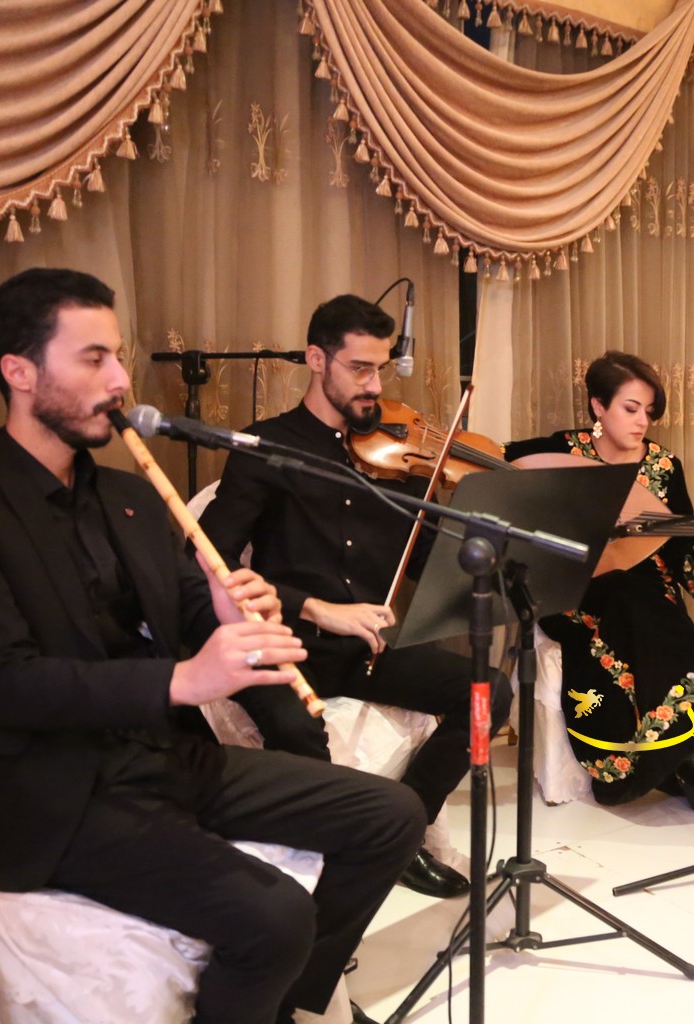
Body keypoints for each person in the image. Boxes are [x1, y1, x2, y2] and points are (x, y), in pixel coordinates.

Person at [0, 268, 424, 1024]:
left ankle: (288, 1004)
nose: (120, 380)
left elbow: (190, 612)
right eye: (94, 359)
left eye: (118, 356)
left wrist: (226, 617)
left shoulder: (129, 495)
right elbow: (3, 681)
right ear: (19, 371)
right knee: (275, 917)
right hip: (48, 787)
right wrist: (182, 681)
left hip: (160, 755)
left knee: (391, 814)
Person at [197, 293, 511, 900]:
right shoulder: (267, 447)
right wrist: (315, 608)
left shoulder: (399, 459)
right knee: (299, 730)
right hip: (285, 644)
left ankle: (405, 829)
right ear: (317, 360)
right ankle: (327, 872)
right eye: (360, 369)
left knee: (488, 693)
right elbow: (208, 557)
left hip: (365, 649)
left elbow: (431, 556)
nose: (375, 386)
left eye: (382, 369)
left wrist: (487, 542)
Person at [503, 351, 694, 809]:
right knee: (626, 594)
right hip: (574, 587)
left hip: (646, 586)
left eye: (649, 412)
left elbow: (677, 544)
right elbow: (497, 467)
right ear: (598, 406)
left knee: (642, 599)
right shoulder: (563, 450)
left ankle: (674, 750)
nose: (642, 422)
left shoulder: (664, 466)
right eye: (631, 409)